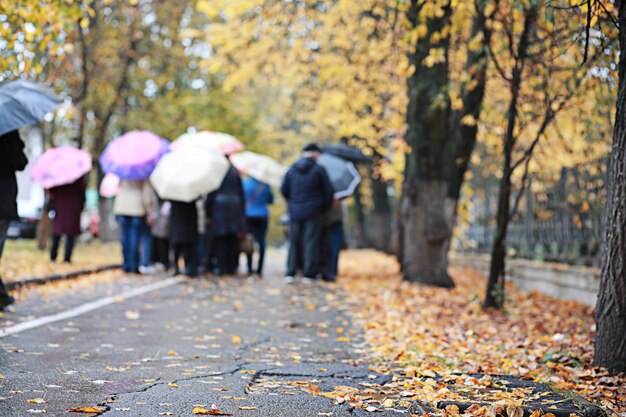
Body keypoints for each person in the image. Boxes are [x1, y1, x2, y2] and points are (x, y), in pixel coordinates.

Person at [281, 143, 334, 282]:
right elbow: (328, 192)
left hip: (295, 211)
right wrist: (323, 207)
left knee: (294, 242)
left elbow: (284, 189)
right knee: (310, 242)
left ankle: (290, 272)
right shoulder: (319, 170)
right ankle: (308, 273)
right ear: (315, 153)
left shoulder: (292, 169)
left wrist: (293, 203)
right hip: (314, 212)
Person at [0, 130, 28, 309]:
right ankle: (2, 296)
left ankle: (2, 296)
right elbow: (20, 161)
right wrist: (19, 144)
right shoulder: (7, 131)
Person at [205, 164, 245, 275]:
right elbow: (241, 194)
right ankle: (231, 267)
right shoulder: (235, 172)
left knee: (220, 240)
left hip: (219, 210)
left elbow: (211, 194)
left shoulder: (216, 172)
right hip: (234, 210)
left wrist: (208, 212)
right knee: (232, 241)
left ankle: (220, 267)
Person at [114, 179, 154, 274]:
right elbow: (147, 194)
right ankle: (133, 265)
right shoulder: (142, 171)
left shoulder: (122, 170)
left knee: (125, 237)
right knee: (134, 237)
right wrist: (148, 210)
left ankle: (126, 264)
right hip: (136, 207)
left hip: (122, 207)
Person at [49, 177, 86, 263]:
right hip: (72, 207)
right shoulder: (78, 176)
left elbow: (52, 190)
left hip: (60, 206)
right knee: (70, 235)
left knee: (57, 233)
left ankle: (53, 256)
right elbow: (82, 192)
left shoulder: (59, 175)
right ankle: (66, 258)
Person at [243, 177, 274, 277]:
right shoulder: (265, 185)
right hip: (262, 215)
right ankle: (259, 270)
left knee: (249, 241)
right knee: (261, 242)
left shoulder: (245, 183)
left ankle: (249, 268)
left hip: (248, 215)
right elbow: (271, 200)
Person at [169, 200, 198, 276]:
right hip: (188, 225)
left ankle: (176, 267)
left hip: (177, 223)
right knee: (187, 247)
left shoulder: (173, 196)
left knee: (177, 247)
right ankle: (188, 267)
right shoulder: (191, 196)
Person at [320, 198, 344, 282]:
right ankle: (332, 271)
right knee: (333, 245)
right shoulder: (339, 187)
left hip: (325, 215)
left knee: (328, 245)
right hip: (334, 216)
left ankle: (329, 270)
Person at [150, 196, 171, 271]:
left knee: (162, 241)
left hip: (162, 220)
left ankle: (164, 262)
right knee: (162, 241)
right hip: (161, 220)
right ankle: (163, 261)